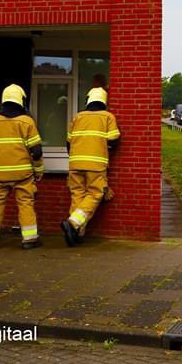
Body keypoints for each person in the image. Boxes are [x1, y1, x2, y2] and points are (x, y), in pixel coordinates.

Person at [0, 84, 44, 250]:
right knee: (25, 204)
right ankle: (29, 239)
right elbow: (36, 151)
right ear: (21, 100)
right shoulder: (27, 121)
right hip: (23, 175)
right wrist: (38, 171)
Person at [62, 87, 120, 246]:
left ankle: (77, 234)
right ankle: (74, 223)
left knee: (77, 195)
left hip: (75, 163)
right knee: (95, 194)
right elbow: (114, 141)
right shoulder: (107, 117)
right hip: (96, 164)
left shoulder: (77, 117)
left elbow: (68, 143)